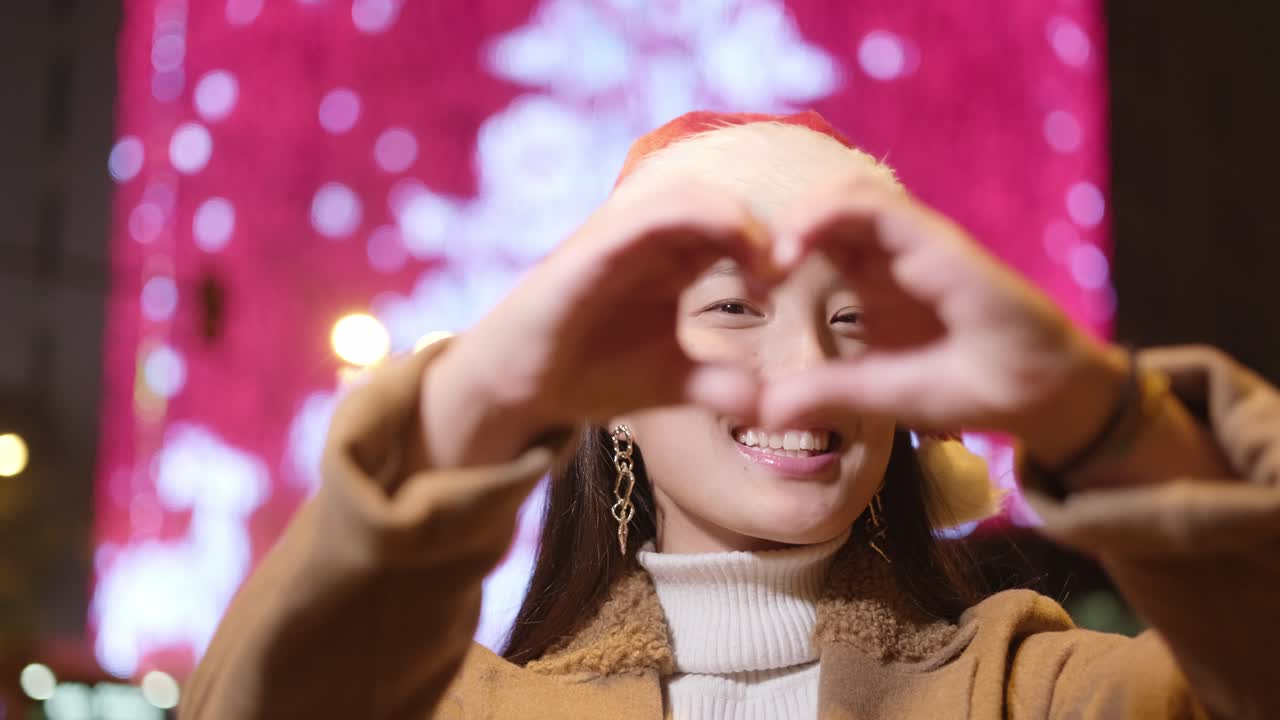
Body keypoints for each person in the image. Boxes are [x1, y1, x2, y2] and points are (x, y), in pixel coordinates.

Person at [180, 111, 1280, 719]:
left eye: (854, 324)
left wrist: (1100, 415)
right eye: (731, 312)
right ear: (608, 400)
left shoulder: (1042, 693)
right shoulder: (454, 707)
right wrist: (476, 404)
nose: (802, 373)